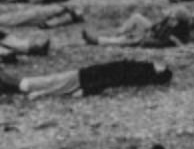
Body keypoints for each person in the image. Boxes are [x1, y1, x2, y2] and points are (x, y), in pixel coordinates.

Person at [0, 59, 172, 99]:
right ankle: (11, 84)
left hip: (84, 79)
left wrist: (86, 91)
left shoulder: (140, 72)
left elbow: (112, 79)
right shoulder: (142, 68)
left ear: (158, 72)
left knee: (52, 83)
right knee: (52, 82)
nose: (160, 64)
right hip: (85, 75)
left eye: (162, 67)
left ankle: (12, 84)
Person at [82, 6, 192, 48]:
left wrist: (147, 38)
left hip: (149, 37)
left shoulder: (176, 31)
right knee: (126, 36)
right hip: (151, 34)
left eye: (173, 17)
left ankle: (97, 40)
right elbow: (158, 28)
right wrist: (153, 31)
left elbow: (164, 40)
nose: (171, 17)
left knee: (124, 40)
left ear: (179, 20)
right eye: (172, 16)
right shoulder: (170, 22)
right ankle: (98, 39)